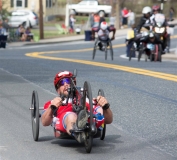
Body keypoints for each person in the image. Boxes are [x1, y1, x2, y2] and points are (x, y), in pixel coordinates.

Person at [41, 71, 113, 143]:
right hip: (66, 120)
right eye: (62, 83)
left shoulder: (86, 99)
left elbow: (109, 120)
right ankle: (78, 134)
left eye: (68, 81)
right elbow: (44, 122)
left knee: (99, 109)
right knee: (71, 116)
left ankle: (94, 121)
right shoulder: (53, 102)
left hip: (88, 115)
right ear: (58, 90)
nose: (66, 84)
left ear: (73, 84)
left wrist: (105, 106)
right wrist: (52, 107)